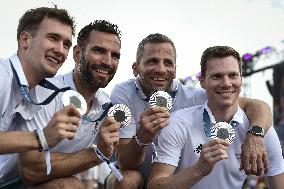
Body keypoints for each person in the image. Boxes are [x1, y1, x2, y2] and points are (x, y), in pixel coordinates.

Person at [107, 34, 273, 189]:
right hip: (135, 174)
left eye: (168, 63)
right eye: (152, 61)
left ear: (175, 69)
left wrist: (255, 136)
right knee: (127, 181)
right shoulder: (124, 93)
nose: (161, 69)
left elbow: (258, 106)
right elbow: (125, 162)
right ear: (135, 68)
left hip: (173, 178)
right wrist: (143, 136)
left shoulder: (194, 96)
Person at [147, 46, 284, 189]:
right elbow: (154, 186)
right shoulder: (179, 123)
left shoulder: (259, 131)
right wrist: (198, 169)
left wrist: (255, 135)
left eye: (232, 75)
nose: (226, 84)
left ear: (241, 79)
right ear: (202, 81)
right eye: (217, 76)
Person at [17, 20, 122, 189]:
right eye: (99, 51)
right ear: (78, 53)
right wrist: (97, 153)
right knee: (71, 185)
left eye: (115, 55)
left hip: (46, 181)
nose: (108, 62)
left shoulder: (106, 106)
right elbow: (30, 170)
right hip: (8, 181)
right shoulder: (44, 91)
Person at [0, 7, 79, 188]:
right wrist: (40, 138)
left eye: (66, 44)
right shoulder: (2, 74)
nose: (61, 50)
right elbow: (41, 139)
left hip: (9, 181)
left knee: (70, 184)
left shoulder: (41, 92)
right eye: (53, 38)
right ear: (25, 39)